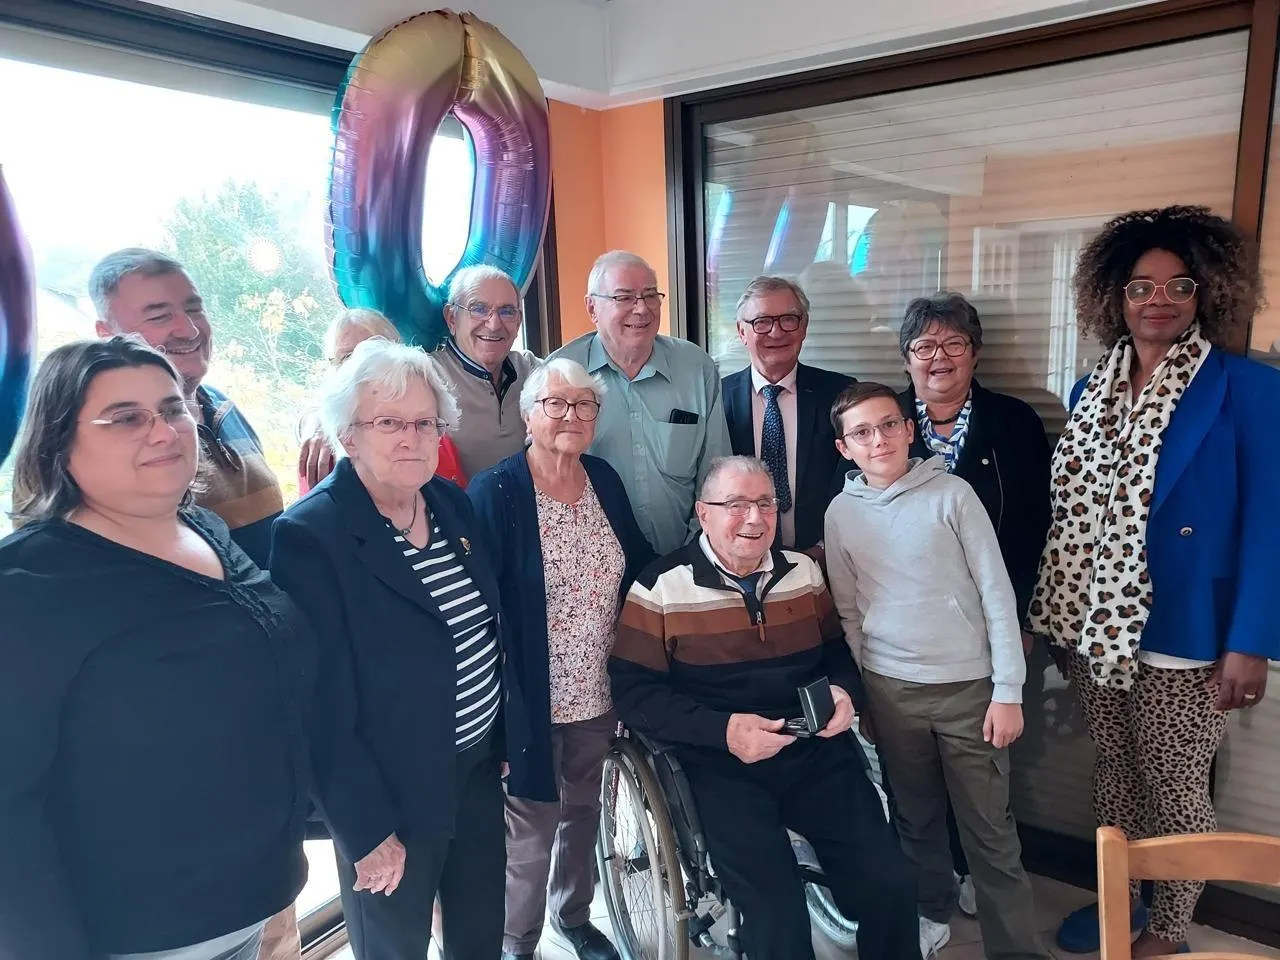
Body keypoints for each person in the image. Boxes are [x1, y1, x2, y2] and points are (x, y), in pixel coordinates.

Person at [0, 337, 315, 960]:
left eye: (172, 409)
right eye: (126, 418)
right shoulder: (28, 586)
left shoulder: (206, 529)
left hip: (252, 903)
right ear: (59, 443)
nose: (164, 431)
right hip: (140, 934)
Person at [1028, 206, 1280, 958]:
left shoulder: (1247, 389)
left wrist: (1251, 641)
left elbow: (1270, 523)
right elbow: (1074, 516)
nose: (1159, 301)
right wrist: (1059, 619)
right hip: (1094, 624)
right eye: (1141, 287)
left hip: (1188, 629)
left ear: (1207, 293)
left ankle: (1170, 927)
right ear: (1116, 296)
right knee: (1114, 771)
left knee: (1175, 782)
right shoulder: (1088, 391)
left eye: (1179, 286)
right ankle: (1122, 902)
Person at [269, 338, 528, 960]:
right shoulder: (311, 536)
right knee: (395, 947)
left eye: (424, 422)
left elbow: (486, 631)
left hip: (473, 771)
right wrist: (363, 829)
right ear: (348, 435)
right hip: (390, 793)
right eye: (388, 422)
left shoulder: (449, 502)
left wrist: (500, 739)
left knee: (479, 936)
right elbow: (315, 706)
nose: (411, 438)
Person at [609, 455, 918, 960]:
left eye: (765, 504)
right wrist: (723, 731)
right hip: (718, 765)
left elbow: (836, 653)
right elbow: (634, 691)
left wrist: (845, 693)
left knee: (891, 882)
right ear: (703, 512)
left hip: (813, 752)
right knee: (775, 912)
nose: (754, 518)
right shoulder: (661, 586)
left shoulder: (803, 572)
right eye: (736, 504)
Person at [824, 382, 1049, 960]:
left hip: (969, 690)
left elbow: (997, 594)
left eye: (888, 425)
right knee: (914, 817)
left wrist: (1008, 691)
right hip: (891, 691)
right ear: (844, 447)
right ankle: (930, 910)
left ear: (909, 430)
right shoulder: (841, 513)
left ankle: (1017, 949)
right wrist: (867, 697)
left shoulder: (953, 494)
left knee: (989, 830)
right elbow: (849, 611)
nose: (878, 440)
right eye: (862, 433)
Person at [468, 358, 655, 960]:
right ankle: (516, 941)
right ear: (528, 415)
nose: (571, 414)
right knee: (530, 830)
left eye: (584, 404)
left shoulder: (603, 478)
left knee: (583, 812)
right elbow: (477, 605)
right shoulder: (497, 491)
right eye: (556, 403)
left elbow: (638, 562)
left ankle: (573, 917)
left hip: (598, 688)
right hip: (528, 695)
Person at [894, 291, 1053, 916]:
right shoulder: (883, 422)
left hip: (991, 626)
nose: (939, 358)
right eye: (924, 346)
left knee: (982, 761)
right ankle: (929, 881)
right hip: (905, 633)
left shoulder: (1014, 423)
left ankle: (975, 871)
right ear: (906, 358)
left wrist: (1025, 619)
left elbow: (1038, 527)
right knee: (914, 772)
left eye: (953, 344)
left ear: (976, 352)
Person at [89, 248, 283, 570]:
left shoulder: (223, 406)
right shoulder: (112, 441)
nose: (190, 330)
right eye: (159, 317)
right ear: (107, 334)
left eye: (194, 309)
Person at [551, 250, 732, 554]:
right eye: (624, 298)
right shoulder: (559, 374)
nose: (642, 309)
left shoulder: (696, 368)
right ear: (592, 307)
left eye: (650, 295)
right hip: (592, 562)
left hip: (684, 557)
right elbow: (547, 474)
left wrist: (695, 551)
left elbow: (717, 471)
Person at [721, 275, 853, 553]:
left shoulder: (840, 393)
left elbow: (855, 481)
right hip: (738, 560)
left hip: (824, 558)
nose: (776, 332)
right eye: (762, 322)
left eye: (788, 319)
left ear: (804, 326)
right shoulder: (717, 399)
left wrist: (823, 549)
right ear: (742, 332)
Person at [298, 307, 466, 494]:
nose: (360, 367)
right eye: (348, 357)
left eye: (375, 353)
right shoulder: (321, 453)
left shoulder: (434, 436)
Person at [432, 264, 540, 478]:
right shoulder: (426, 376)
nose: (494, 324)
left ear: (518, 322)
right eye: (479, 309)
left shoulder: (530, 369)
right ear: (452, 318)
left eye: (507, 312)